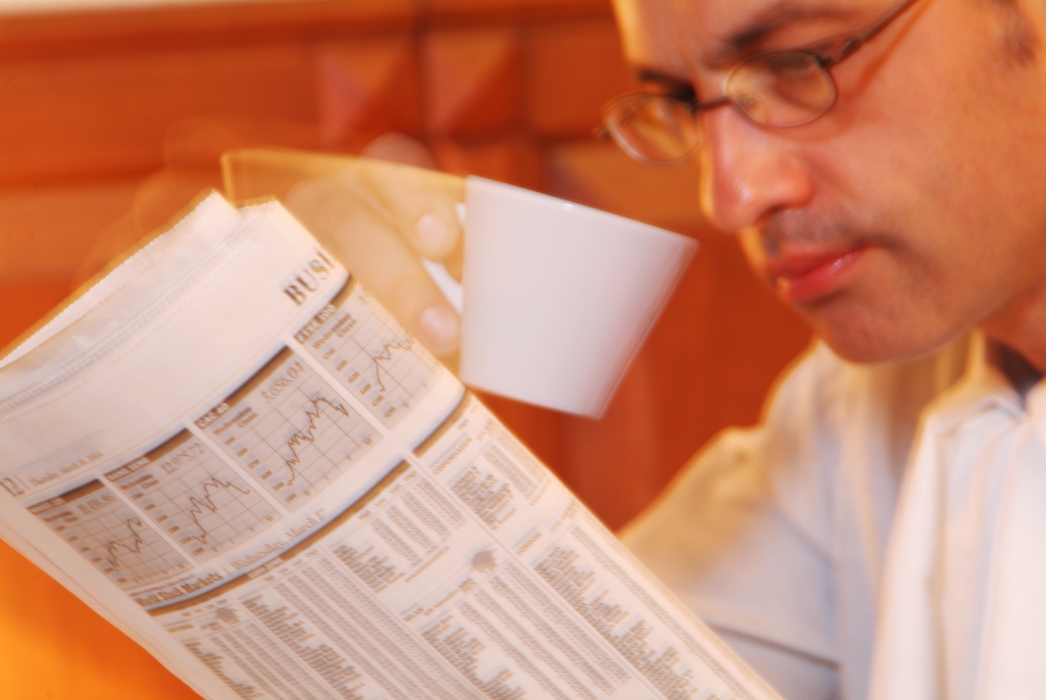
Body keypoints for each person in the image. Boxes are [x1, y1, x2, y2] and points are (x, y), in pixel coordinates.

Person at [271, 0, 1046, 697]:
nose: (729, 197)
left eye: (797, 62)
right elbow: (560, 669)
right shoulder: (862, 415)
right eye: (682, 102)